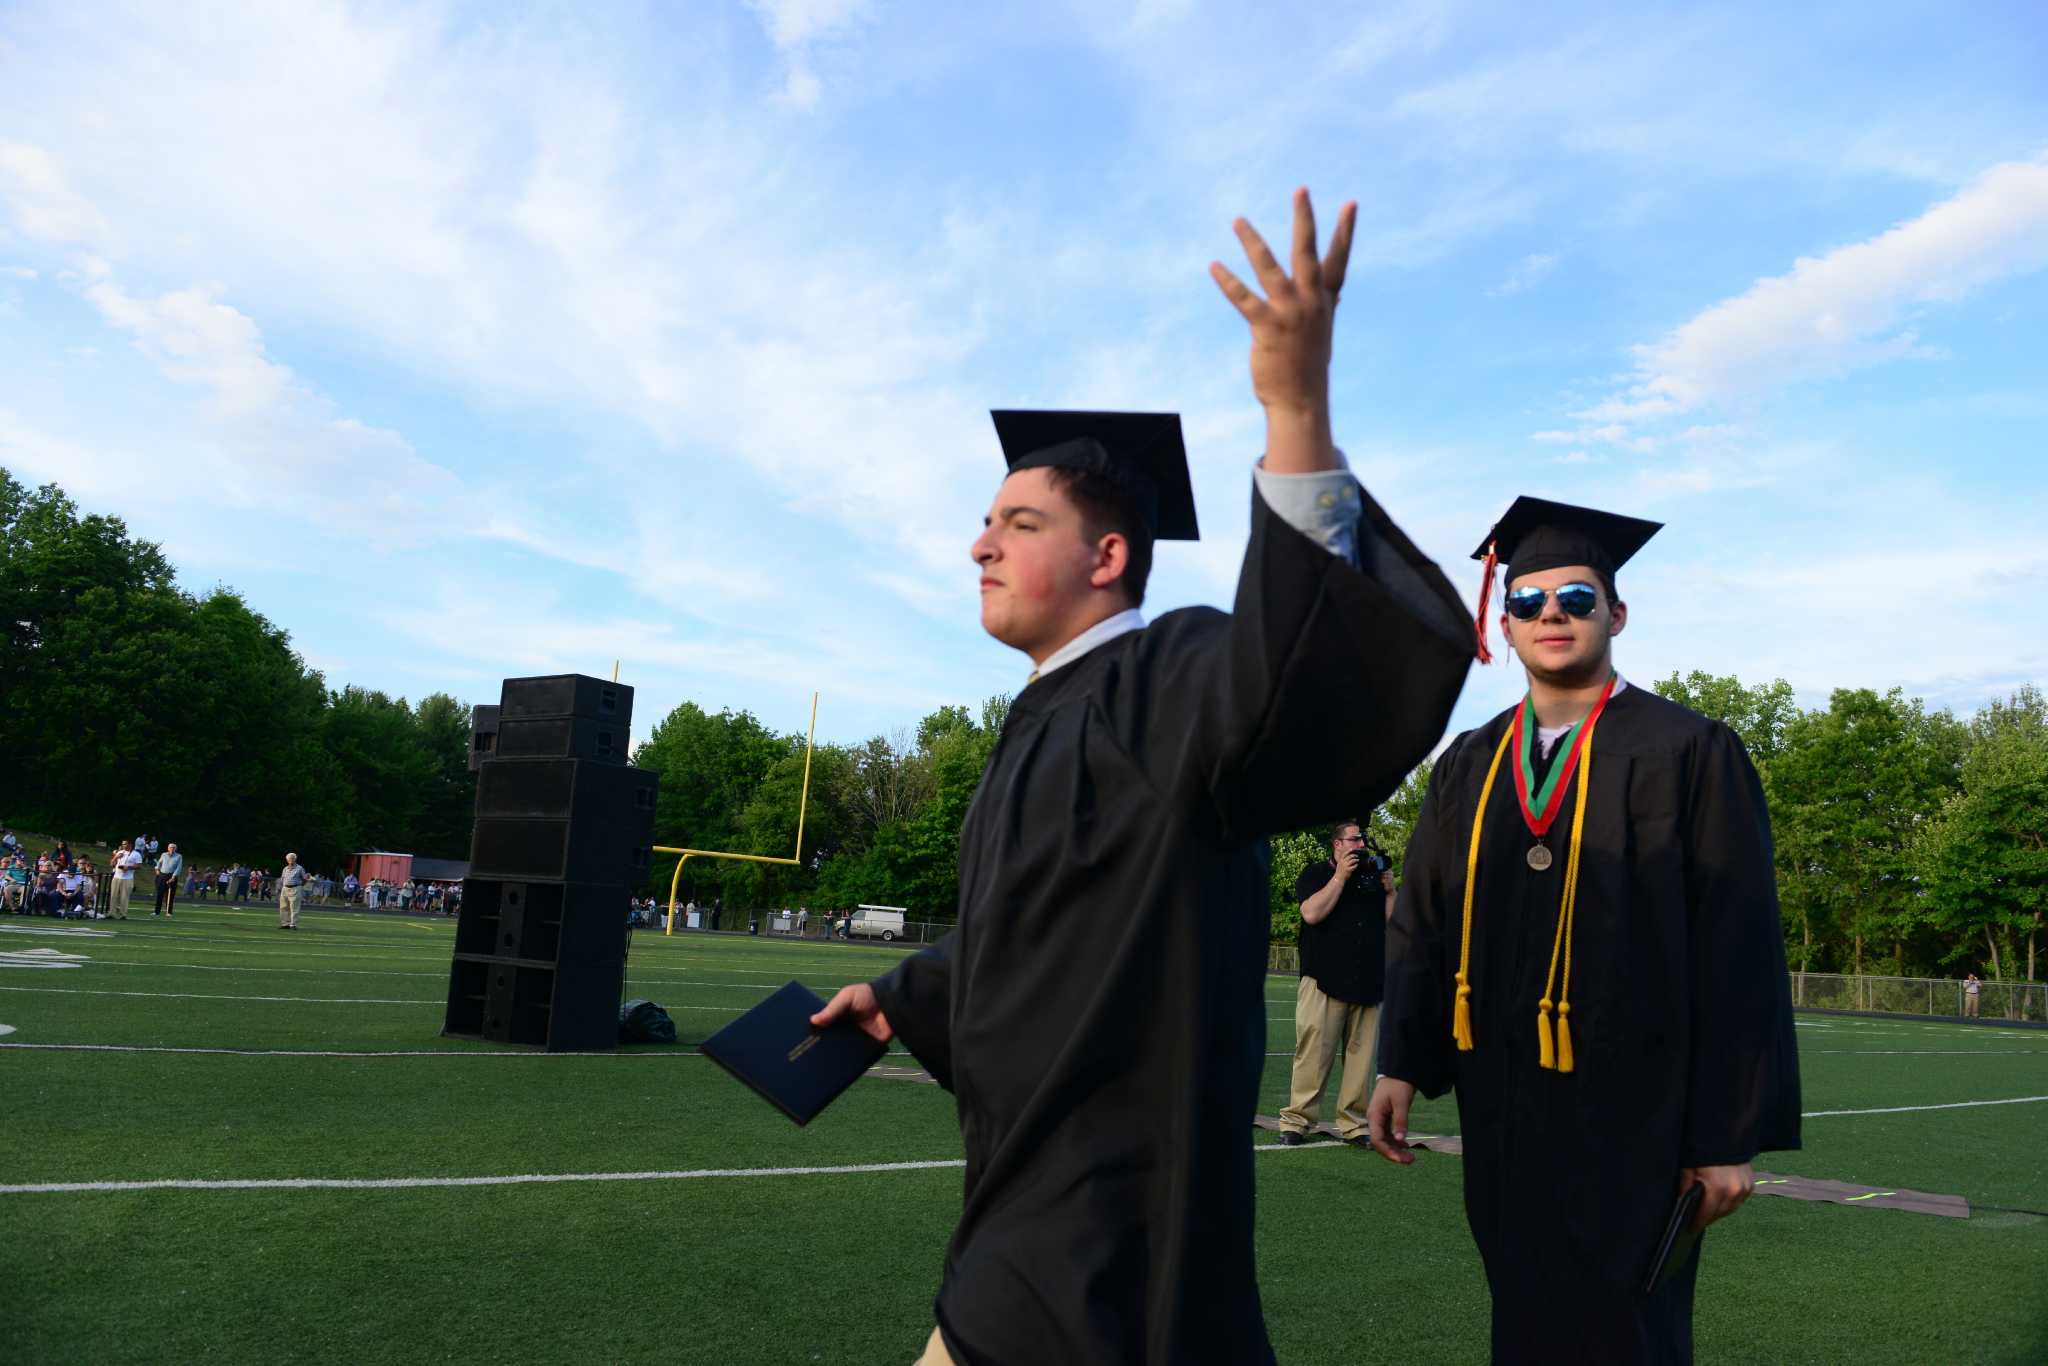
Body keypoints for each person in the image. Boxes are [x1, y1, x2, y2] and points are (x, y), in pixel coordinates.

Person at [810, 189, 1473, 1365]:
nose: (979, 542)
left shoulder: (1172, 676)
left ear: (1109, 556)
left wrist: (1292, 408)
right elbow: (1054, 929)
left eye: (1016, 521)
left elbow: (1295, 678)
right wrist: (907, 993)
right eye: (984, 520)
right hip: (1027, 1210)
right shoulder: (1039, 716)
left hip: (1107, 1229)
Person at [1369, 495, 1801, 1364]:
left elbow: (1739, 949)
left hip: (1639, 1109)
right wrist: (1402, 1060)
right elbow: (1424, 919)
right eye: (1526, 601)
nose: (1551, 615)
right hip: (1502, 1100)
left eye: (1574, 597)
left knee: (1625, 1328)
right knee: (1522, 1308)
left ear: (1617, 611)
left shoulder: (1689, 750)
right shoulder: (1471, 762)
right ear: (1505, 622)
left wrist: (1724, 1137)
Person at [1276, 819, 1396, 1146]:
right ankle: (1298, 1121)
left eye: (1363, 841)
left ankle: (1355, 1125)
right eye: (1354, 840)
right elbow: (1312, 914)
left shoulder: (1373, 878)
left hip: (1368, 980)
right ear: (1337, 844)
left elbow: (1397, 926)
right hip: (1324, 979)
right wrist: (1340, 877)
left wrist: (1390, 891)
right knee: (1313, 1054)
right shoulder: (1315, 874)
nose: (1361, 846)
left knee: (1361, 1060)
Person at [108, 840, 142, 920]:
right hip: (116, 877)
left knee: (124, 897)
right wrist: (115, 857)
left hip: (127, 878)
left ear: (130, 844)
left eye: (125, 844)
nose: (123, 845)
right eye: (122, 844)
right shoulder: (120, 852)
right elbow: (112, 864)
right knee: (113, 896)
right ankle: (111, 913)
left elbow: (139, 866)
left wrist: (128, 867)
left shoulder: (136, 854)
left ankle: (123, 914)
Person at [278, 852, 308, 930]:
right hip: (285, 888)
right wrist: (282, 887)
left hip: (295, 888)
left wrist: (300, 886)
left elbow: (305, 879)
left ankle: (293, 924)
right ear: (287, 860)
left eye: (292, 858)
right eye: (289, 859)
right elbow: (282, 879)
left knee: (294, 907)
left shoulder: (300, 868)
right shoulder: (285, 868)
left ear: (295, 859)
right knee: (283, 907)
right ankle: (285, 924)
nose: (291, 860)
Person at [153, 842, 184, 916]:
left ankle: (169, 912)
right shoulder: (164, 854)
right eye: (170, 847)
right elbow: (159, 863)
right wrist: (157, 869)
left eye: (173, 847)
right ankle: (156, 912)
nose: (172, 849)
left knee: (170, 895)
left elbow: (178, 867)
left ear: (175, 849)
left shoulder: (179, 856)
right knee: (159, 894)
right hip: (162, 875)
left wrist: (174, 877)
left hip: (172, 876)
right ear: (168, 848)